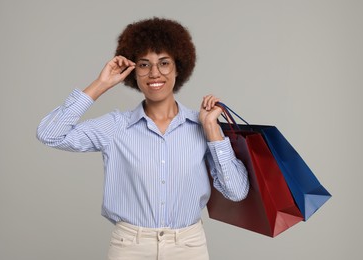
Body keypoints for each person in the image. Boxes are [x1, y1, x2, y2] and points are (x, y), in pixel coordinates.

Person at [37, 17, 249, 260]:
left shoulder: (202, 127)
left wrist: (212, 130)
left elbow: (236, 192)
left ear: (178, 67)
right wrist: (101, 84)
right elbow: (49, 134)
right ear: (133, 72)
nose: (154, 73)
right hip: (129, 247)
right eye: (144, 65)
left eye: (164, 63)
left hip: (188, 247)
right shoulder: (115, 127)